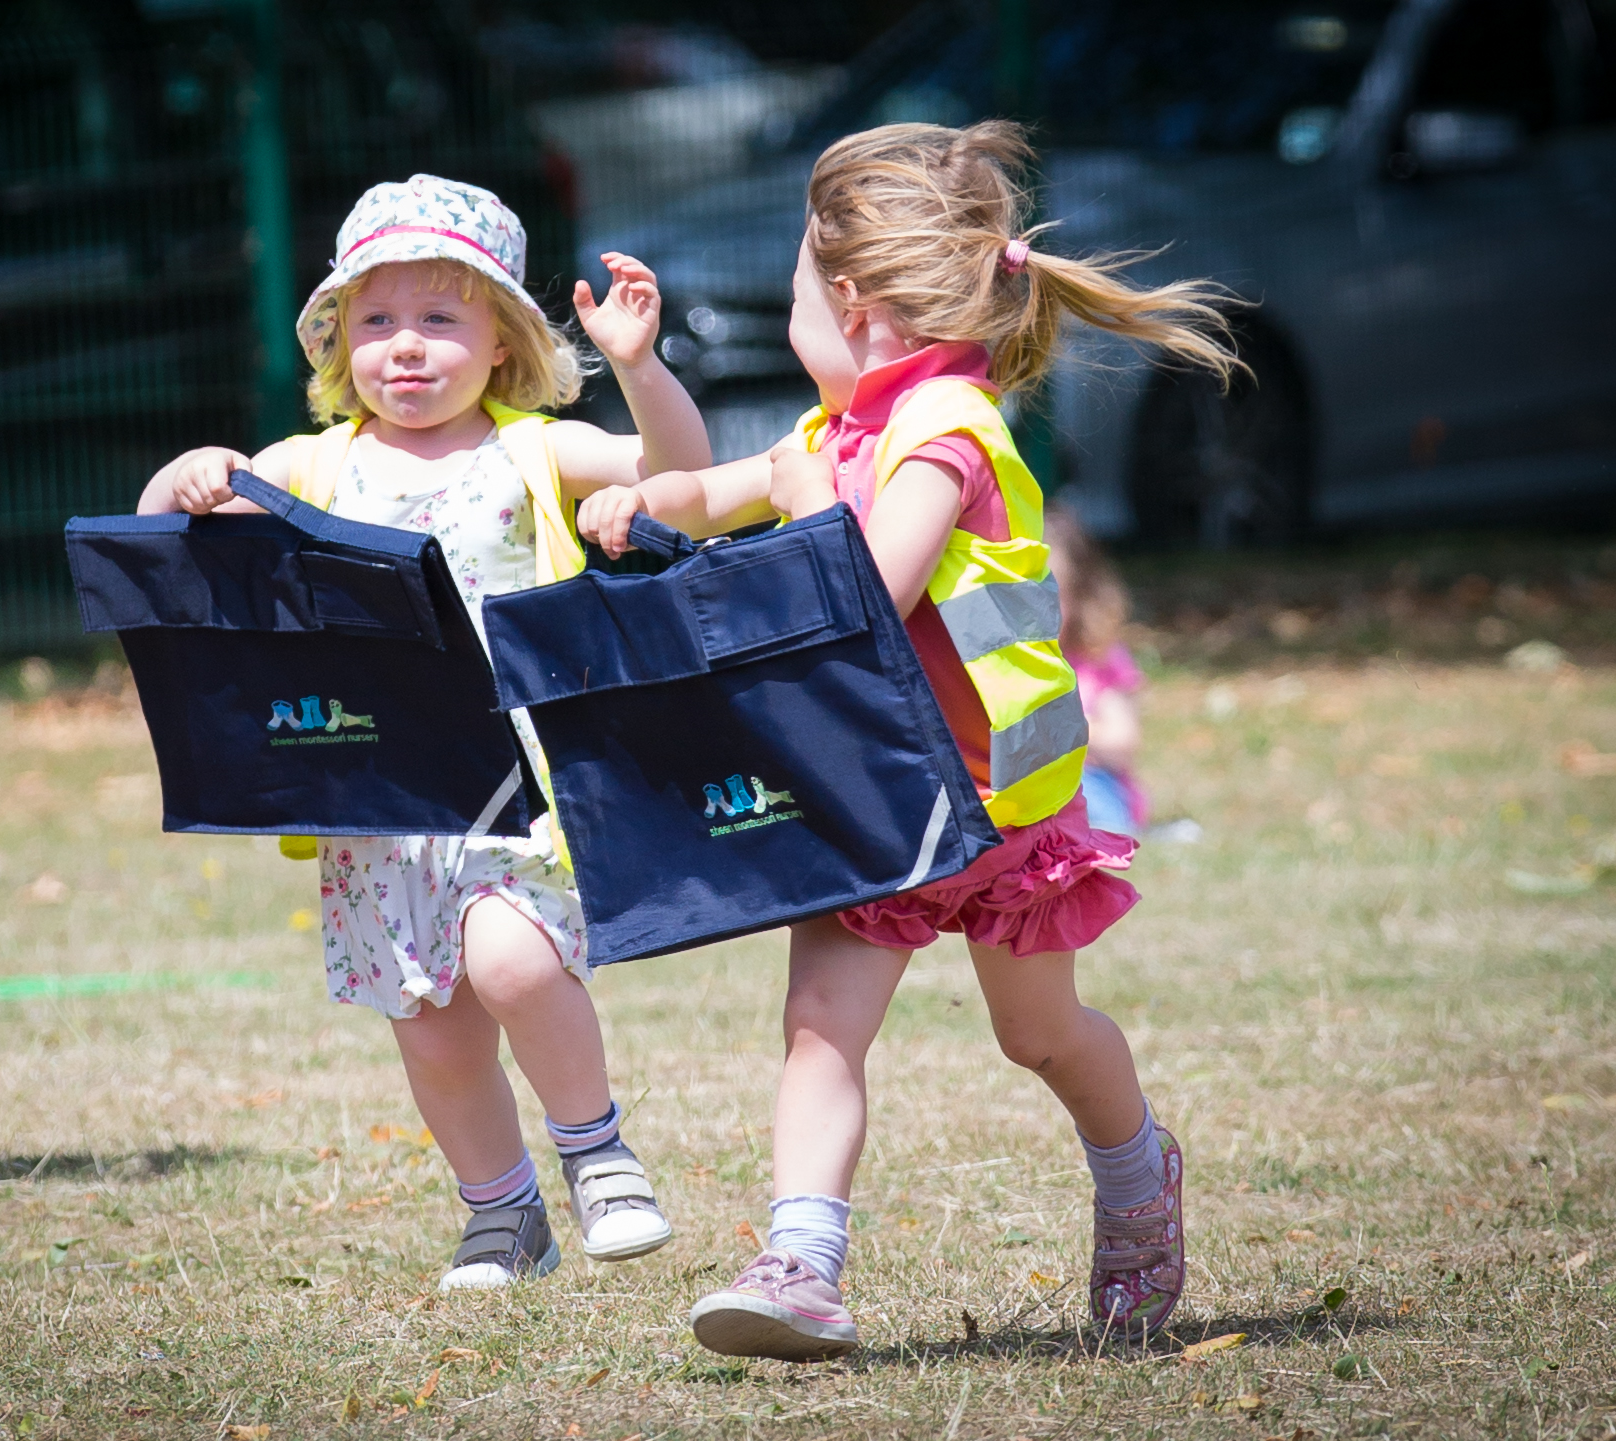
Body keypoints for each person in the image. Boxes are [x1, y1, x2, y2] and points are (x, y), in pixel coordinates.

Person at [578, 120, 1238, 1357]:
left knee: (1037, 1033)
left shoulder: (946, 428)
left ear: (848, 302)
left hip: (989, 806)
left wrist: (787, 511)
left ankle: (1140, 1173)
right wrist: (639, 501)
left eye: (789, 299)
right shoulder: (837, 431)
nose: (790, 323)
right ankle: (803, 1267)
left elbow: (870, 590)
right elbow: (712, 492)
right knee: (821, 1024)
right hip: (873, 796)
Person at [138, 175, 713, 1289]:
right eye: (375, 321)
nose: (404, 348)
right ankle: (501, 1213)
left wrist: (639, 367)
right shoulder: (314, 467)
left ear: (502, 342)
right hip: (378, 794)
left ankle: (597, 1153)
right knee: (433, 1025)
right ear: (338, 341)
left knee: (510, 961)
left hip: (520, 779)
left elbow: (676, 471)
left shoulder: (535, 452)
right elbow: (165, 539)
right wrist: (189, 476)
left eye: (440, 319)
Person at [1048, 507, 1148, 837]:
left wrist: (1059, 723)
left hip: (1091, 785)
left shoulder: (1098, 658)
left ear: (1081, 596)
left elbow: (1122, 742)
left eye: (1052, 595)